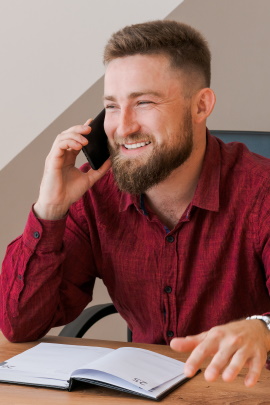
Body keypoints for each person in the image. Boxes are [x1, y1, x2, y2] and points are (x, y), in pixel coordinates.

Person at [0, 20, 270, 388]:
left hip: (245, 391)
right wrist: (50, 210)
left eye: (144, 103)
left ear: (201, 105)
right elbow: (18, 325)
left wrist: (263, 329)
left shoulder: (261, 192)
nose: (123, 127)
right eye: (112, 106)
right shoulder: (96, 196)